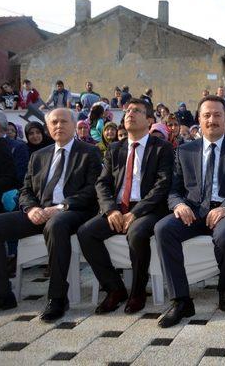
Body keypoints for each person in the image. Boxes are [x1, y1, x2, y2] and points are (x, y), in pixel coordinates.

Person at [154, 96, 225, 327]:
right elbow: (174, 190)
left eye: (217, 115)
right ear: (199, 119)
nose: (212, 120)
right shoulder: (184, 151)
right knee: (163, 229)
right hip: (194, 210)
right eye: (206, 115)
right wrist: (179, 205)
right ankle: (181, 300)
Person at [0, 108, 102, 320]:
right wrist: (31, 208)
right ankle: (2, 294)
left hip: (73, 212)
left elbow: (92, 190)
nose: (58, 126)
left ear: (74, 125)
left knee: (56, 224)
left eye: (64, 121)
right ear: (48, 128)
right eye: (54, 122)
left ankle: (57, 297)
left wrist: (61, 207)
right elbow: (25, 190)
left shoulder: (89, 152)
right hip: (40, 211)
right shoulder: (38, 155)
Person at [78, 99, 173, 316]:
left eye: (137, 111)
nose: (130, 114)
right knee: (86, 232)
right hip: (117, 207)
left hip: (147, 209)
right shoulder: (115, 148)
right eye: (128, 110)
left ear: (149, 120)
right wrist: (111, 210)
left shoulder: (162, 148)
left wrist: (136, 213)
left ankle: (138, 292)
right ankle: (115, 289)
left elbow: (163, 185)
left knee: (137, 232)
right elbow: (102, 183)